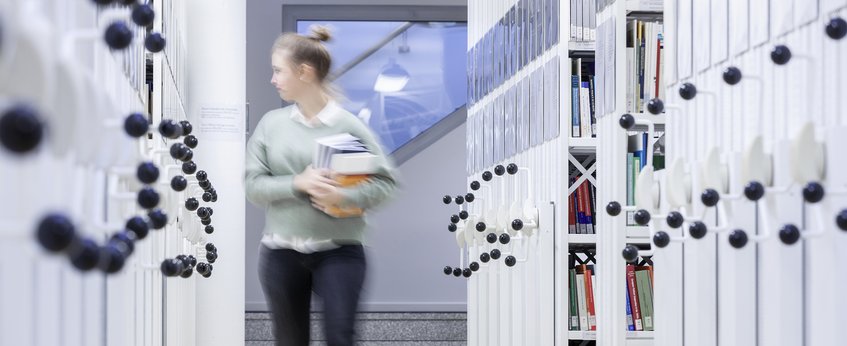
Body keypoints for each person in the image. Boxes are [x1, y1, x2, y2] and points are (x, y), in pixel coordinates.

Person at [245, 25, 397, 346]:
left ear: (304, 72)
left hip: (340, 250)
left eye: (277, 71)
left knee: (340, 339)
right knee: (290, 341)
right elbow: (253, 185)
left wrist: (343, 195)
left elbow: (386, 185)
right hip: (280, 252)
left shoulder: (349, 125)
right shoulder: (271, 125)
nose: (272, 79)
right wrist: (297, 183)